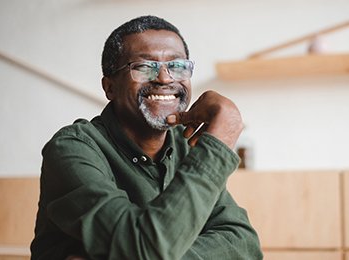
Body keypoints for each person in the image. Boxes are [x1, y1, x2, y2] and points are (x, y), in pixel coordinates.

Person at [30, 15, 263, 260]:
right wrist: (218, 143)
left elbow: (244, 243)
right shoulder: (72, 148)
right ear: (109, 87)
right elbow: (143, 249)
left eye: (177, 66)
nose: (164, 78)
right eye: (143, 67)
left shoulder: (186, 145)